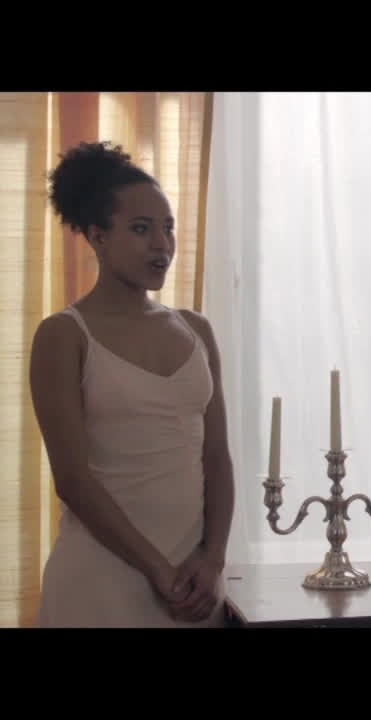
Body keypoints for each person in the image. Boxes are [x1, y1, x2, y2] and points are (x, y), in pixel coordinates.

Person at [30, 141, 234, 627]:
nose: (161, 244)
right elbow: (73, 480)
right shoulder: (63, 335)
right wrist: (158, 570)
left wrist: (213, 561)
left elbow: (216, 457)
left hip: (195, 588)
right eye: (141, 229)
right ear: (98, 237)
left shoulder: (196, 329)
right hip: (101, 585)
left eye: (168, 227)